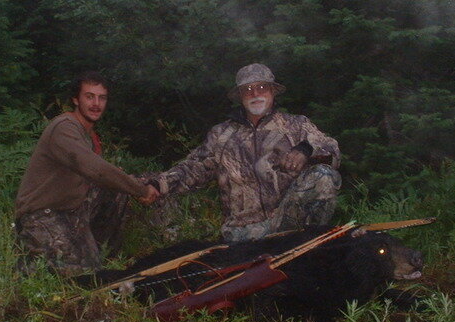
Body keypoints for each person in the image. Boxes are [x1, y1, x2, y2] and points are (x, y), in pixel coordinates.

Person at [144, 63, 341, 242]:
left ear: (273, 91)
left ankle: (310, 240)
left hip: (289, 224)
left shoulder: (297, 125)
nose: (255, 93)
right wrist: (158, 184)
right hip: (243, 233)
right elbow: (192, 169)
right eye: (247, 89)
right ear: (239, 96)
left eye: (262, 87)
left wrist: (305, 150)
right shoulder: (221, 135)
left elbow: (331, 148)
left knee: (324, 175)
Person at [14, 71, 158, 275]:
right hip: (42, 213)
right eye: (89, 97)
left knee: (117, 189)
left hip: (73, 210)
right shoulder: (64, 128)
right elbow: (96, 170)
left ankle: (102, 252)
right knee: (79, 278)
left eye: (101, 98)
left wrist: (133, 184)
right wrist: (141, 190)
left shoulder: (88, 134)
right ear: (75, 99)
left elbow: (103, 178)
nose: (96, 104)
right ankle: (34, 255)